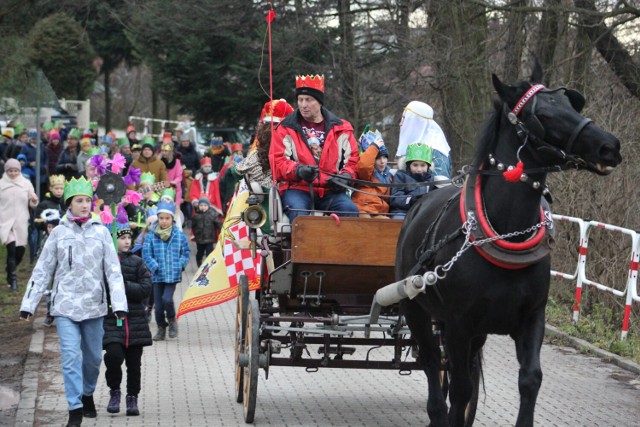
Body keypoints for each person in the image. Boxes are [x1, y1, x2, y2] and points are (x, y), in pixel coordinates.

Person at [19, 176, 128, 427]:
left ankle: (87, 392)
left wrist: (119, 304)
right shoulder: (58, 232)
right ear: (69, 203)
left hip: (94, 306)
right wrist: (29, 303)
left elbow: (113, 271)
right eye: (79, 201)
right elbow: (43, 270)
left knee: (92, 359)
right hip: (65, 306)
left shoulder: (101, 232)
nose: (84, 205)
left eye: (88, 201)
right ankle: (75, 408)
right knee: (69, 357)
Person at [269, 74, 359, 221]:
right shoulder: (285, 128)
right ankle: (303, 245)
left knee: (350, 210)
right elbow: (277, 162)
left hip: (331, 191)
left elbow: (353, 160)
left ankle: (342, 245)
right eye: (300, 100)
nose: (303, 104)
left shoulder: (342, 128)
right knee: (300, 217)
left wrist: (346, 177)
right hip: (298, 189)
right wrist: (298, 171)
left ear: (319, 102)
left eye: (309, 100)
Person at [103, 222, 152, 417]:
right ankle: (114, 391)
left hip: (135, 321)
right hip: (112, 319)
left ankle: (132, 397)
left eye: (128, 238)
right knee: (113, 356)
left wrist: (124, 285)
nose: (126, 241)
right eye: (121, 238)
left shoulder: (137, 262)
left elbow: (146, 288)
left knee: (134, 364)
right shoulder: (105, 262)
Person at [142, 200, 190, 341]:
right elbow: (146, 253)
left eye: (167, 218)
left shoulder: (178, 235)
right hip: (157, 275)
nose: (164, 221)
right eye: (161, 218)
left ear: (172, 219)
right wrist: (154, 266)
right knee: (157, 307)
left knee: (167, 299)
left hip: (172, 274)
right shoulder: (151, 235)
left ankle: (172, 321)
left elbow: (186, 252)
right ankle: (161, 327)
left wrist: (180, 265)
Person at [0, 159, 38, 291]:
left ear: (19, 171)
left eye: (15, 170)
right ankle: (13, 281)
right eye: (10, 171)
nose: (13, 173)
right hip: (5, 222)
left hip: (21, 222)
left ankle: (9, 269)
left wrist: (33, 200)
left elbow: (32, 202)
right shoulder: (1, 184)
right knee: (11, 250)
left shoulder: (26, 184)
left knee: (19, 252)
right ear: (6, 171)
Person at [396, 100, 453, 182]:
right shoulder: (417, 146)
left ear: (416, 122)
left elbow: (439, 189)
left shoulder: (436, 152)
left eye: (404, 118)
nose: (401, 123)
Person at [351, 129, 392, 217]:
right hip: (363, 208)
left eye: (385, 157)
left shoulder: (389, 176)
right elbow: (364, 165)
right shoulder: (367, 173)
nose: (382, 161)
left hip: (379, 210)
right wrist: (374, 147)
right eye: (378, 158)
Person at [389, 142, 434, 219]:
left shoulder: (430, 178)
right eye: (415, 165)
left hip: (422, 212)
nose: (419, 169)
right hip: (402, 212)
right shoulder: (401, 176)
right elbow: (395, 198)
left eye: (423, 165)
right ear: (408, 165)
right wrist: (410, 200)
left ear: (428, 166)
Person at [191, 196, 218, 266]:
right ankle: (199, 265)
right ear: (198, 206)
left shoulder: (212, 214)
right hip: (199, 239)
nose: (203, 207)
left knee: (209, 253)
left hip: (209, 238)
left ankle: (208, 266)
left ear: (208, 206)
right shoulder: (196, 215)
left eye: (205, 205)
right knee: (200, 253)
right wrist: (196, 234)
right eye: (201, 205)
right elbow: (193, 226)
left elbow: (218, 223)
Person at [159, 141, 183, 206]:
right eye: (162, 151)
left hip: (173, 188)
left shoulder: (177, 162)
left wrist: (174, 182)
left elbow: (179, 176)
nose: (164, 153)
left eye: (166, 151)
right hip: (161, 187)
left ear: (170, 152)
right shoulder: (159, 162)